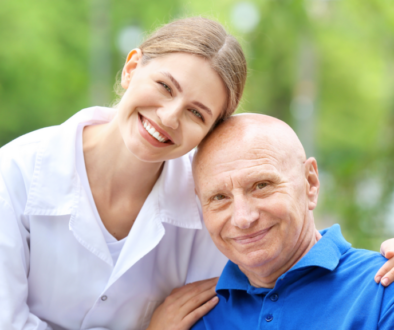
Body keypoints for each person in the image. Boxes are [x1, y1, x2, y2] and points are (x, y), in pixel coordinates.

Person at [0, 16, 393, 330]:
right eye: (165, 87)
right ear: (131, 67)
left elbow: (289, 256)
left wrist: (382, 259)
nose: (169, 117)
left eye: (196, 113)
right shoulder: (15, 174)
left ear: (210, 133)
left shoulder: (210, 202)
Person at [191, 114, 394, 329]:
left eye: (261, 185)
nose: (243, 218)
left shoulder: (383, 290)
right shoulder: (194, 317)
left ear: (310, 183)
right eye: (219, 197)